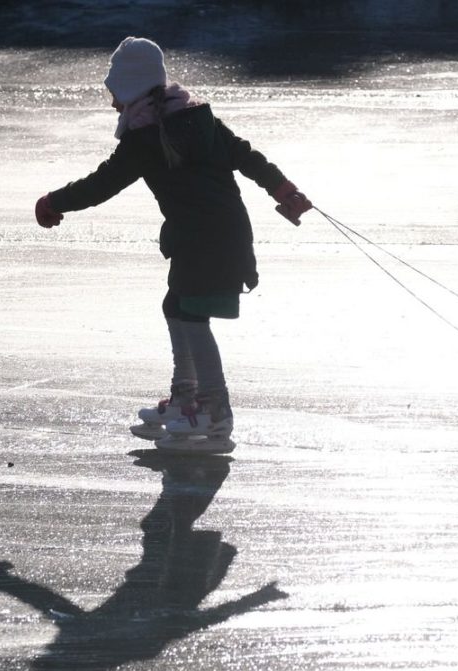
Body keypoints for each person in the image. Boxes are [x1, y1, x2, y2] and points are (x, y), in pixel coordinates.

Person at [34, 37, 311, 453]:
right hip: (217, 234)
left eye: (114, 93)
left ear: (131, 89)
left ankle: (215, 411)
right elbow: (248, 156)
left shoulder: (146, 136)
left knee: (192, 317)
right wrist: (283, 188)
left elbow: (103, 184)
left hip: (205, 239)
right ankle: (187, 401)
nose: (112, 103)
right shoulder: (198, 118)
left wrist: (54, 201)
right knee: (177, 307)